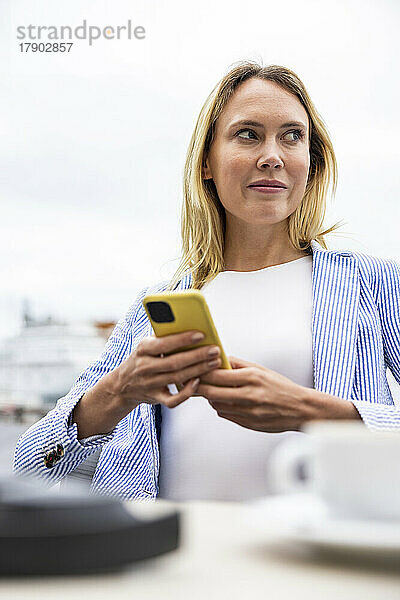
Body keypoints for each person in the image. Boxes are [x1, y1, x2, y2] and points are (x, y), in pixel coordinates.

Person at [14, 61, 400, 502]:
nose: (272, 155)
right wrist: (121, 388)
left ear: (310, 164)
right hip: (171, 562)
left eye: (292, 136)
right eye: (248, 134)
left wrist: (313, 411)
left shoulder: (374, 283)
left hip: (317, 564)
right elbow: (31, 463)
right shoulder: (157, 305)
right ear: (206, 165)